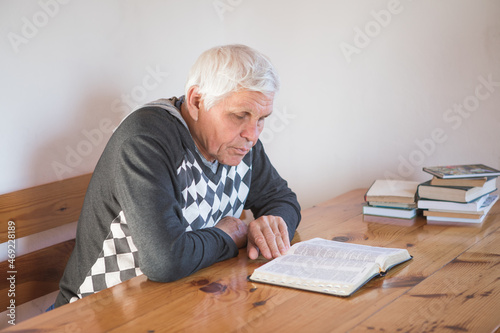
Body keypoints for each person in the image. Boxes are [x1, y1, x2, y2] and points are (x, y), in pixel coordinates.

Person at [55, 44, 301, 307]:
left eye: (261, 118)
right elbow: (165, 260)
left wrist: (272, 224)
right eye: (240, 115)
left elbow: (282, 198)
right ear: (197, 101)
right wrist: (227, 236)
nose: (253, 134)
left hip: (181, 304)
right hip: (94, 312)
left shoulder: (238, 143)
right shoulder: (146, 140)